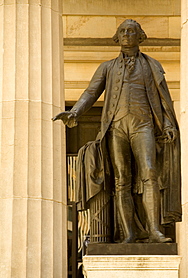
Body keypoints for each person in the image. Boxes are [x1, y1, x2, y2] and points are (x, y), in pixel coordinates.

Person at [53, 19, 181, 243]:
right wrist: (74, 113)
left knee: (149, 173)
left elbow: (164, 98)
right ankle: (129, 234)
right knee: (122, 180)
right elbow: (90, 93)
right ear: (117, 37)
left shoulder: (152, 65)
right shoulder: (107, 67)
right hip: (116, 127)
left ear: (140, 36)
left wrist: (168, 123)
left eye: (131, 31)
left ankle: (154, 230)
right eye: (122, 31)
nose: (126, 34)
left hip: (144, 125)